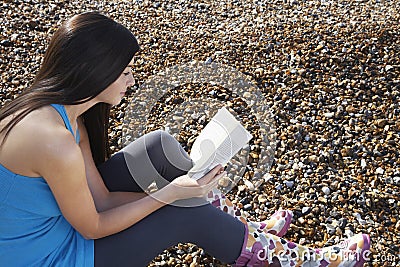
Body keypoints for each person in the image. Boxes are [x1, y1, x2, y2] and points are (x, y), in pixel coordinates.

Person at [0, 12, 370, 267]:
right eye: (126, 71)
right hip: (51, 256)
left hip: (59, 226)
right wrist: (169, 195)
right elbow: (92, 225)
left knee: (158, 148)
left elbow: (98, 198)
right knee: (183, 211)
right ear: (96, 72)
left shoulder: (63, 114)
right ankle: (292, 259)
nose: (132, 80)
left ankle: (243, 234)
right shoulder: (55, 142)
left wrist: (177, 191)